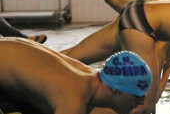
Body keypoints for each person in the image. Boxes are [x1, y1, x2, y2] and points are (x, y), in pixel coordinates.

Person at [0, 37, 152, 114]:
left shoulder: (89, 79)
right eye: (137, 96)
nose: (142, 102)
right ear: (115, 90)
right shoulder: (74, 96)